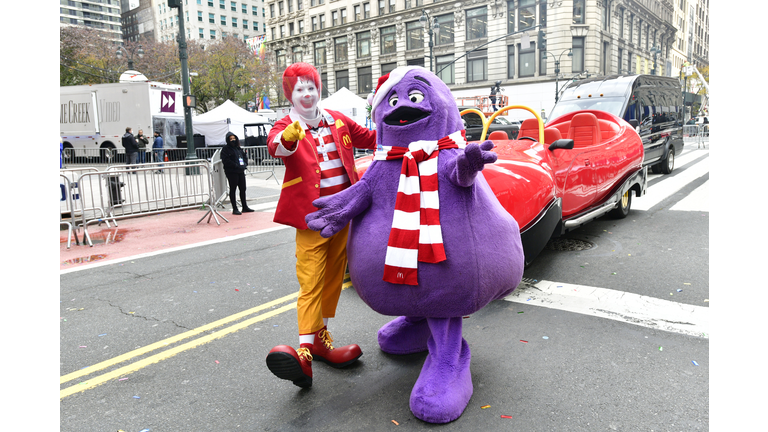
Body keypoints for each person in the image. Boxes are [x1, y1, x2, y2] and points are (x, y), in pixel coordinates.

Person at [265, 62, 377, 388]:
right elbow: (276, 146)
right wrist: (288, 138)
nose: (307, 94)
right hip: (312, 216)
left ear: (319, 89)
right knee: (311, 279)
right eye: (299, 89)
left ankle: (320, 339)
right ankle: (304, 351)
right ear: (290, 94)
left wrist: (405, 126)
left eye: (311, 87)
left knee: (332, 277)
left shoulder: (337, 120)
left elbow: (370, 137)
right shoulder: (286, 124)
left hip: (343, 211)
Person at [220, 132, 254, 215]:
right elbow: (226, 161)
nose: (233, 140)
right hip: (232, 172)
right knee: (233, 189)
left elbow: (244, 156)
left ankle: (244, 206)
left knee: (243, 188)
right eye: (231, 139)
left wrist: (245, 164)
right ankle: (235, 208)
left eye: (234, 138)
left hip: (240, 171)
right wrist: (235, 165)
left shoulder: (238, 148)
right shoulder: (225, 149)